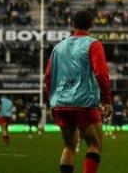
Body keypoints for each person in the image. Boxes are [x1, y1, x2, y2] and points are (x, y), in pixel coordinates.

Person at [45, 10, 112, 173]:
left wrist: (52, 101)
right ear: (91, 25)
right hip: (84, 103)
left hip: (60, 103)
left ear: (72, 24)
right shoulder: (93, 44)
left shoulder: (58, 47)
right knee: (95, 145)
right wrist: (107, 99)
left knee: (69, 146)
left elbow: (48, 77)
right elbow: (101, 74)